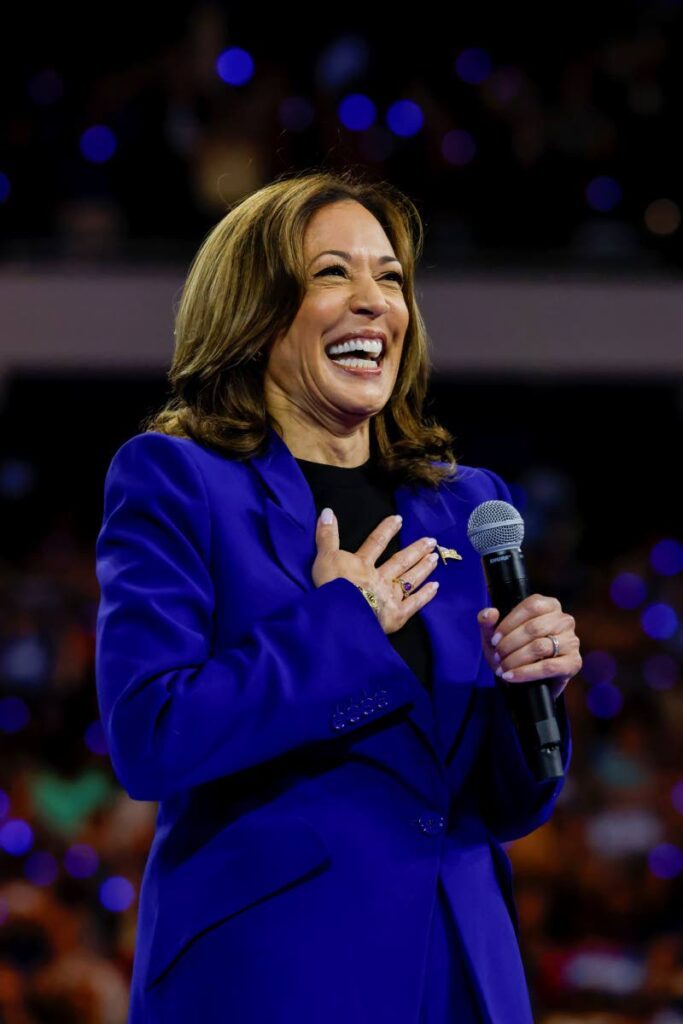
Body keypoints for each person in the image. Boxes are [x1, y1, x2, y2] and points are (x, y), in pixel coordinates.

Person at [95, 169, 581, 1023]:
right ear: (254, 308)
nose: (373, 302)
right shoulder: (178, 480)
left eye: (389, 278)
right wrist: (337, 629)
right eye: (332, 273)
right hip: (279, 968)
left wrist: (527, 690)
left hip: (464, 966)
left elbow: (496, 803)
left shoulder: (465, 504)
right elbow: (150, 736)